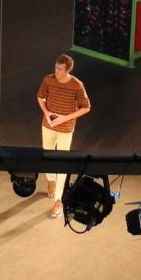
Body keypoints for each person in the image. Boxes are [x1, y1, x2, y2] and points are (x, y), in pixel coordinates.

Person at [37, 54, 91, 219]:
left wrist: (65, 118)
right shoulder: (48, 79)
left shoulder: (77, 85)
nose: (56, 71)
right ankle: (50, 180)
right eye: (56, 67)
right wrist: (47, 113)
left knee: (62, 164)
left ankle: (59, 200)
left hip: (65, 129)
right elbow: (40, 97)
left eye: (60, 69)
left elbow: (86, 107)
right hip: (48, 125)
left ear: (67, 70)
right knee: (47, 156)